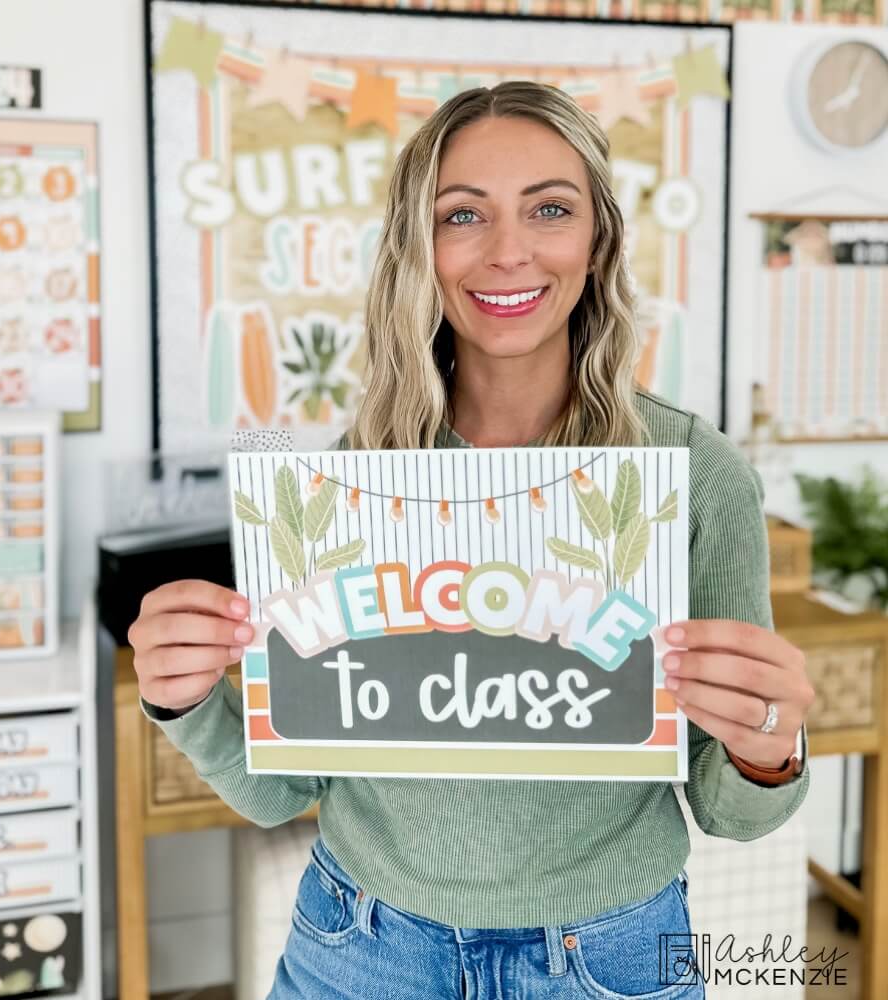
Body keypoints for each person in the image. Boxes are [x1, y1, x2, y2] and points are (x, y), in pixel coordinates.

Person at [128, 81, 814, 999]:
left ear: (597, 239)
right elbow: (284, 788)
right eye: (463, 215)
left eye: (550, 209)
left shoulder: (694, 472)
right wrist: (186, 703)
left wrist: (768, 745)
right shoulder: (356, 473)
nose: (508, 252)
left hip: (608, 958)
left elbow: (733, 815)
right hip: (361, 946)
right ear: (419, 246)